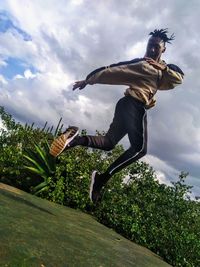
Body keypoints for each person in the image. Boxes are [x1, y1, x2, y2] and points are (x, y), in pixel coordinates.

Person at [50, 28, 184, 203]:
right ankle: (101, 179)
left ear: (163, 49)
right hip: (132, 106)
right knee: (140, 149)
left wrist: (163, 68)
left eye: (156, 47)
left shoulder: (163, 71)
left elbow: (178, 79)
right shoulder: (142, 64)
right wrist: (88, 80)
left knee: (108, 143)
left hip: (128, 106)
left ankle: (73, 139)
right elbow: (113, 70)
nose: (151, 50)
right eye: (150, 45)